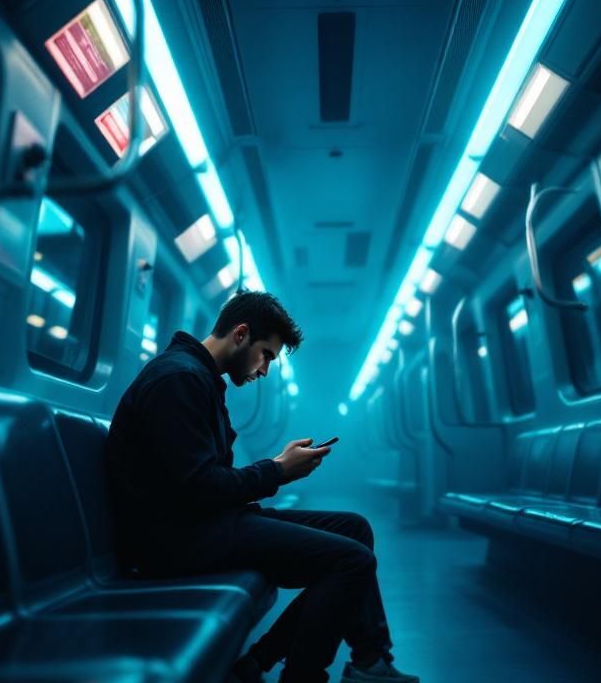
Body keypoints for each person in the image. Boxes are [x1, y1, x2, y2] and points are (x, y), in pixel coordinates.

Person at [106, 291, 419, 683]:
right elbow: (199, 487)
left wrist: (275, 469)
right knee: (351, 561)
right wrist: (277, 470)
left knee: (355, 528)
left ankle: (366, 661)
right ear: (240, 334)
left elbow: (200, 483)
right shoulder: (179, 380)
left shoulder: (197, 378)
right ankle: (298, 674)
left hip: (201, 524)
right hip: (175, 541)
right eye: (267, 355)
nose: (266, 369)